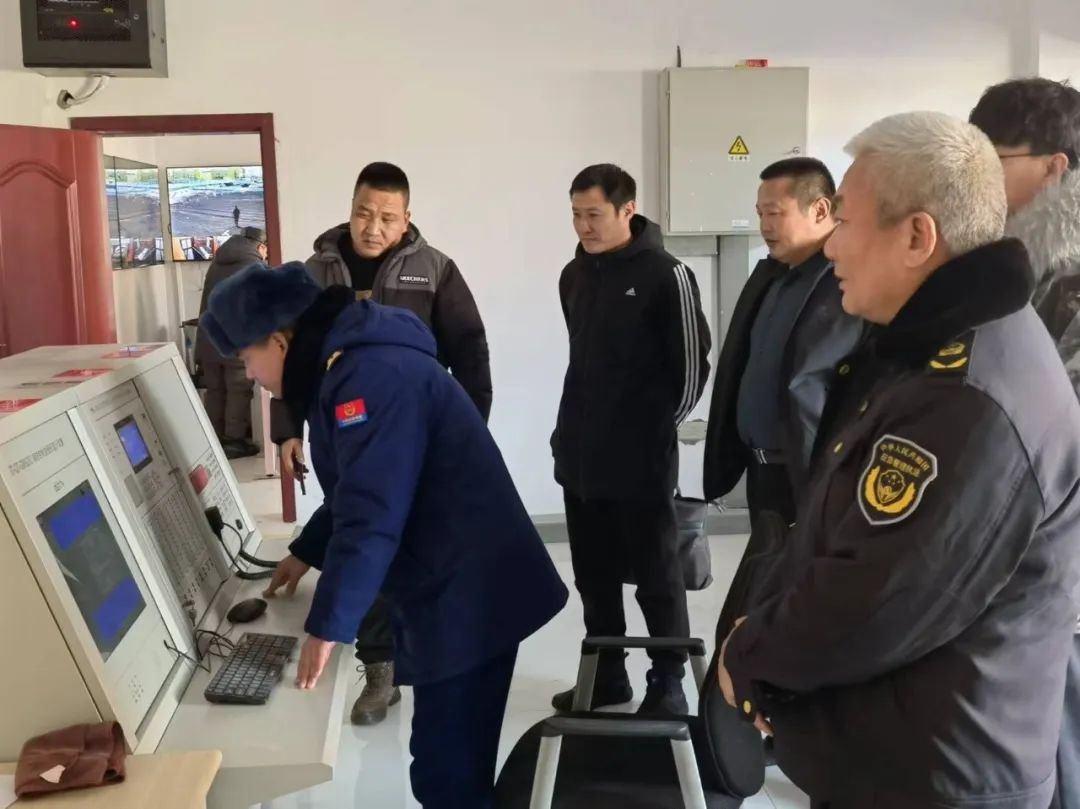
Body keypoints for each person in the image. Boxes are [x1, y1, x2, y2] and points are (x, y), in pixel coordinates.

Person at [718, 111, 1080, 809]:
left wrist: (751, 657)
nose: (831, 245)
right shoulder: (933, 347)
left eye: (846, 221)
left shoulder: (969, 396)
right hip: (903, 757)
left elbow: (876, 600)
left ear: (917, 236)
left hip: (940, 776)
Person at [200, 263, 567, 809]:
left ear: (279, 341)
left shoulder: (367, 378)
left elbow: (372, 513)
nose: (250, 375)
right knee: (446, 765)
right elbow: (361, 485)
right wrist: (305, 552)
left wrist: (328, 627)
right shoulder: (344, 366)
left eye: (247, 359)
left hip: (469, 590)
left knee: (447, 774)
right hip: (456, 577)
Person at [274, 161, 493, 727]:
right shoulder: (315, 271)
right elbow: (290, 357)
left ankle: (430, 656)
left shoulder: (435, 269)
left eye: (387, 218)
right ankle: (380, 671)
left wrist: (467, 435)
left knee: (406, 547)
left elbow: (470, 351)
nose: (373, 227)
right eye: (363, 214)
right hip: (343, 431)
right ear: (350, 210)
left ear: (407, 218)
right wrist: (287, 430)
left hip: (413, 436)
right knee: (363, 533)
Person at [550, 164, 711, 716]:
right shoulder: (574, 275)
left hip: (641, 463)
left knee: (657, 576)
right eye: (576, 215)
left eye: (594, 214)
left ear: (628, 210)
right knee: (593, 577)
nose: (583, 226)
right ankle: (607, 676)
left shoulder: (668, 274)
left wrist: (653, 432)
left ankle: (668, 681)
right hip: (581, 458)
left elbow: (691, 370)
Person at [969, 76, 1080, 809]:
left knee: (1057, 738)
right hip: (1023, 546)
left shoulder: (1068, 275)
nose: (978, 177)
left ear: (1054, 166)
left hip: (1058, 559)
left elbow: (1051, 431)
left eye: (993, 160)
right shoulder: (1020, 264)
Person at [703, 158, 861, 524]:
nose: (764, 226)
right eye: (760, 214)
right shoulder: (773, 276)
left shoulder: (846, 283)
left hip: (811, 478)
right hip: (762, 474)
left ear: (820, 210)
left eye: (775, 213)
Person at [195, 226, 268, 459]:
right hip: (235, 340)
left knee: (216, 390)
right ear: (260, 246)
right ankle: (234, 441)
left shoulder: (216, 263)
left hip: (208, 338)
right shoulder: (254, 266)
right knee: (238, 389)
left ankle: (215, 439)